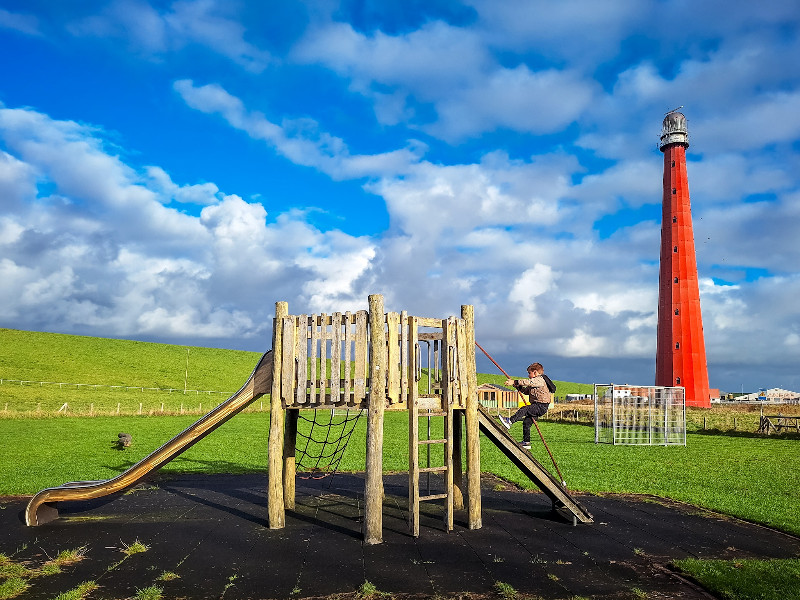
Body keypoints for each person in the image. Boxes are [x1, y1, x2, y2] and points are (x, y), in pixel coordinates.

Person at [498, 362, 551, 450]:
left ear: (535, 372)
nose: (528, 375)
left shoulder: (540, 379)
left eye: (529, 373)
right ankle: (526, 442)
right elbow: (526, 391)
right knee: (527, 422)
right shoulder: (534, 382)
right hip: (537, 405)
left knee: (525, 409)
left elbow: (528, 382)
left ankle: (509, 421)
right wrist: (518, 387)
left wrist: (514, 381)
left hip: (541, 406)